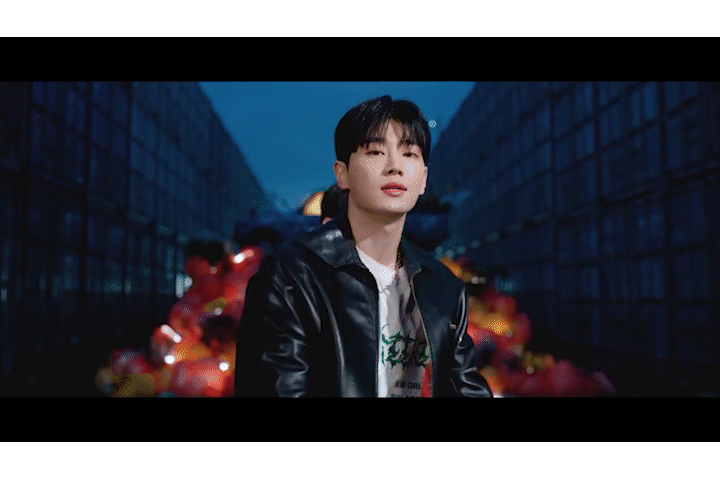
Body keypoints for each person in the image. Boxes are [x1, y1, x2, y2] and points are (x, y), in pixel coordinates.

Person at [235, 95, 492, 397]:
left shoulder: (443, 288)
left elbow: (467, 388)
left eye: (409, 153)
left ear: (423, 179)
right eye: (376, 152)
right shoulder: (292, 275)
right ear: (342, 174)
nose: (395, 167)